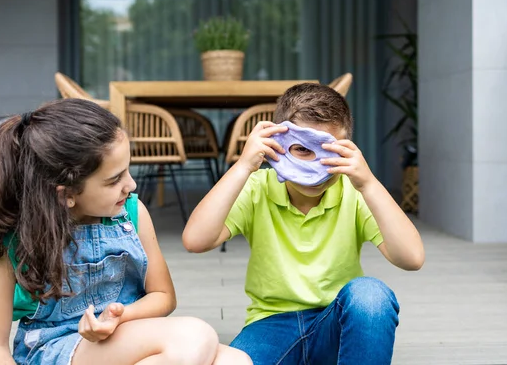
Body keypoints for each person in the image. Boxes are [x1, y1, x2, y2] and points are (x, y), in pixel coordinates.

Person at [0, 99, 251, 365]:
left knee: (237, 361)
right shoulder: (12, 236)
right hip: (55, 350)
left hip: (124, 335)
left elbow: (163, 296)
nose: (131, 185)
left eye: (128, 170)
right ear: (66, 194)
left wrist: (118, 316)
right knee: (194, 335)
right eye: (114, 180)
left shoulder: (132, 214)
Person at [182, 83, 425, 365]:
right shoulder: (256, 187)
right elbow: (195, 240)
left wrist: (368, 184)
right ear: (277, 145)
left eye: (328, 150)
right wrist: (243, 166)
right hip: (271, 325)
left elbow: (412, 258)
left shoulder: (355, 192)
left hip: (336, 325)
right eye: (302, 150)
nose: (315, 166)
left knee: (371, 295)